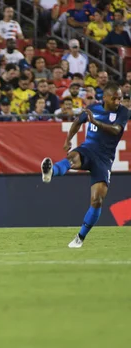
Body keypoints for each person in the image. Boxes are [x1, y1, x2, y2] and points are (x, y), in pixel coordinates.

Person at [41, 82, 129, 248]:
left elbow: (116, 130)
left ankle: (80, 238)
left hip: (104, 159)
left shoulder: (123, 112)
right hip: (88, 150)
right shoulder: (93, 108)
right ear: (105, 98)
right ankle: (51, 172)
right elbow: (77, 121)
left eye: (120, 98)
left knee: (97, 200)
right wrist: (68, 140)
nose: (118, 101)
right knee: (73, 157)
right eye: (115, 98)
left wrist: (94, 122)